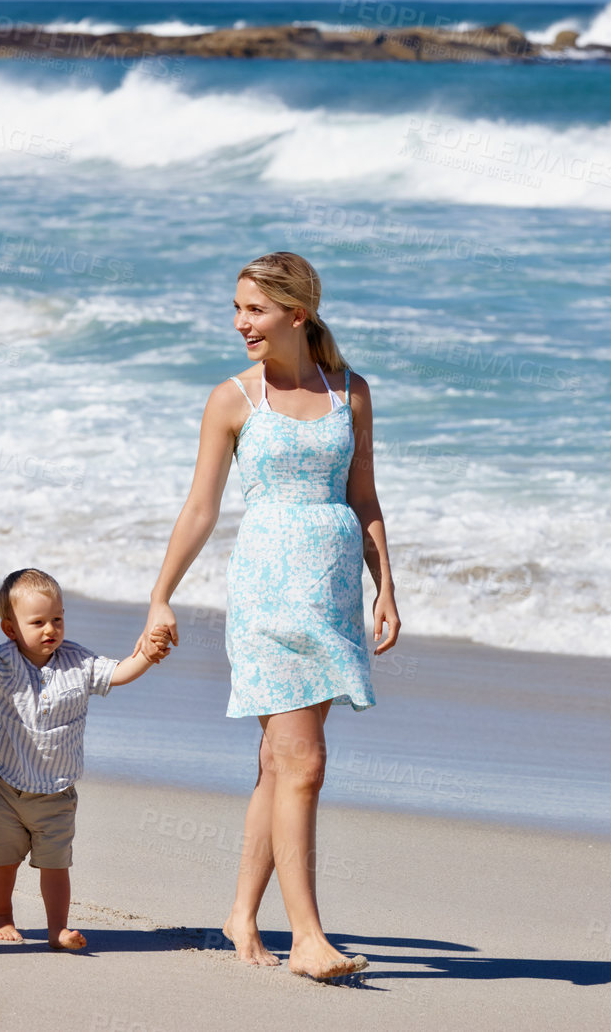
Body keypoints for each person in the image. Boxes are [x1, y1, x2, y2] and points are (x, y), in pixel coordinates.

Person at [141, 251, 401, 981]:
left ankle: (242, 915)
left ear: (297, 312)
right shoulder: (233, 400)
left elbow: (365, 497)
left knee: (278, 765)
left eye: (253, 310)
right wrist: (161, 593)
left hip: (333, 598)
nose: (240, 323)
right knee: (304, 764)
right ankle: (310, 938)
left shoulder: (352, 393)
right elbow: (200, 509)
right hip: (266, 595)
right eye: (236, 309)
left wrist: (386, 586)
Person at [0, 569, 171, 949]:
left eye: (57, 619)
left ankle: (57, 929)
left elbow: (117, 673)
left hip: (56, 795)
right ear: (10, 628)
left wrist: (147, 656)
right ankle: (1, 914)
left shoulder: (78, 662)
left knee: (56, 866)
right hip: (5, 789)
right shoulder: (2, 663)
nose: (50, 629)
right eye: (37, 622)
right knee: (3, 863)